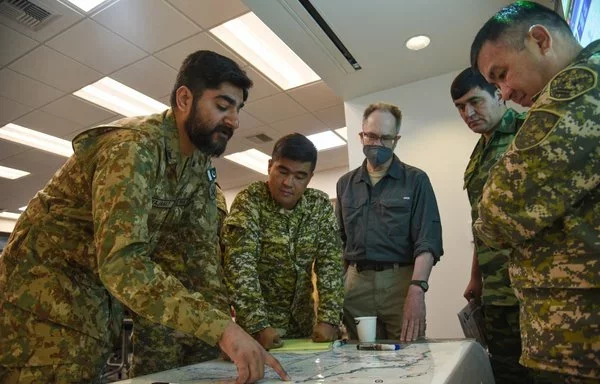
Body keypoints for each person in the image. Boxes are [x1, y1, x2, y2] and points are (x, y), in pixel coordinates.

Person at [0, 50, 288, 384]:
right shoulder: (132, 149)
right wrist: (220, 329)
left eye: (238, 109)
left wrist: (226, 333)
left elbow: (200, 261)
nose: (234, 121)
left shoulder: (196, 165)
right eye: (223, 106)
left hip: (92, 304)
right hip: (37, 306)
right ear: (184, 99)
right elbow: (123, 262)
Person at [470, 1, 599, 382]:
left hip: (578, 339)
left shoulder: (579, 88)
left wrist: (489, 223)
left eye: (502, 74)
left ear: (540, 39)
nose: (505, 92)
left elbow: (496, 212)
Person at [222, 133, 344, 350]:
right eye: (282, 171)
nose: (288, 183)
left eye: (299, 176)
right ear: (270, 166)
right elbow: (240, 267)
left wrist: (328, 319)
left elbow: (331, 264)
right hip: (260, 330)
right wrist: (258, 325)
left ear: (310, 177)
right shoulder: (249, 202)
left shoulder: (320, 206)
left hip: (303, 327)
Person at [336, 102, 443, 342]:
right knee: (359, 361)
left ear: (396, 139)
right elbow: (339, 242)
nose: (377, 144)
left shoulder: (416, 180)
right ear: (361, 136)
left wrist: (417, 290)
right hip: (356, 284)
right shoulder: (345, 184)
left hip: (400, 283)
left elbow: (428, 240)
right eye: (371, 136)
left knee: (410, 357)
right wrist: (337, 290)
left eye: (386, 138)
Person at [451, 68, 532, 383]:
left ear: (499, 93)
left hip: (531, 289)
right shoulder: (478, 155)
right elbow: (480, 224)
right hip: (496, 293)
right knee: (506, 372)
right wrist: (476, 277)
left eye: (475, 102)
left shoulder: (527, 134)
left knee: (544, 373)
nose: (468, 113)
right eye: (460, 107)